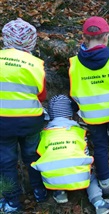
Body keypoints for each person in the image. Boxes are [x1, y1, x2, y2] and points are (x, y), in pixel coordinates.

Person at [68, 16, 109, 195]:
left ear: (84, 38)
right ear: (106, 37)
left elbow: (74, 91)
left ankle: (104, 184)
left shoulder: (74, 64)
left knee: (100, 147)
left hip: (92, 116)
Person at [31, 95, 109, 214]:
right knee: (91, 176)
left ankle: (60, 193)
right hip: (80, 175)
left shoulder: (44, 135)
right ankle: (98, 202)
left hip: (52, 180)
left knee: (54, 167)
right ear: (71, 114)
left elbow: (43, 155)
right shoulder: (78, 132)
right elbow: (84, 153)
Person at [0, 18, 48, 212]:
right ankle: (40, 192)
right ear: (31, 41)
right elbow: (42, 95)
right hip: (31, 121)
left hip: (2, 123)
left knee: (6, 161)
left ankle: (12, 202)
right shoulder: (36, 64)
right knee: (32, 156)